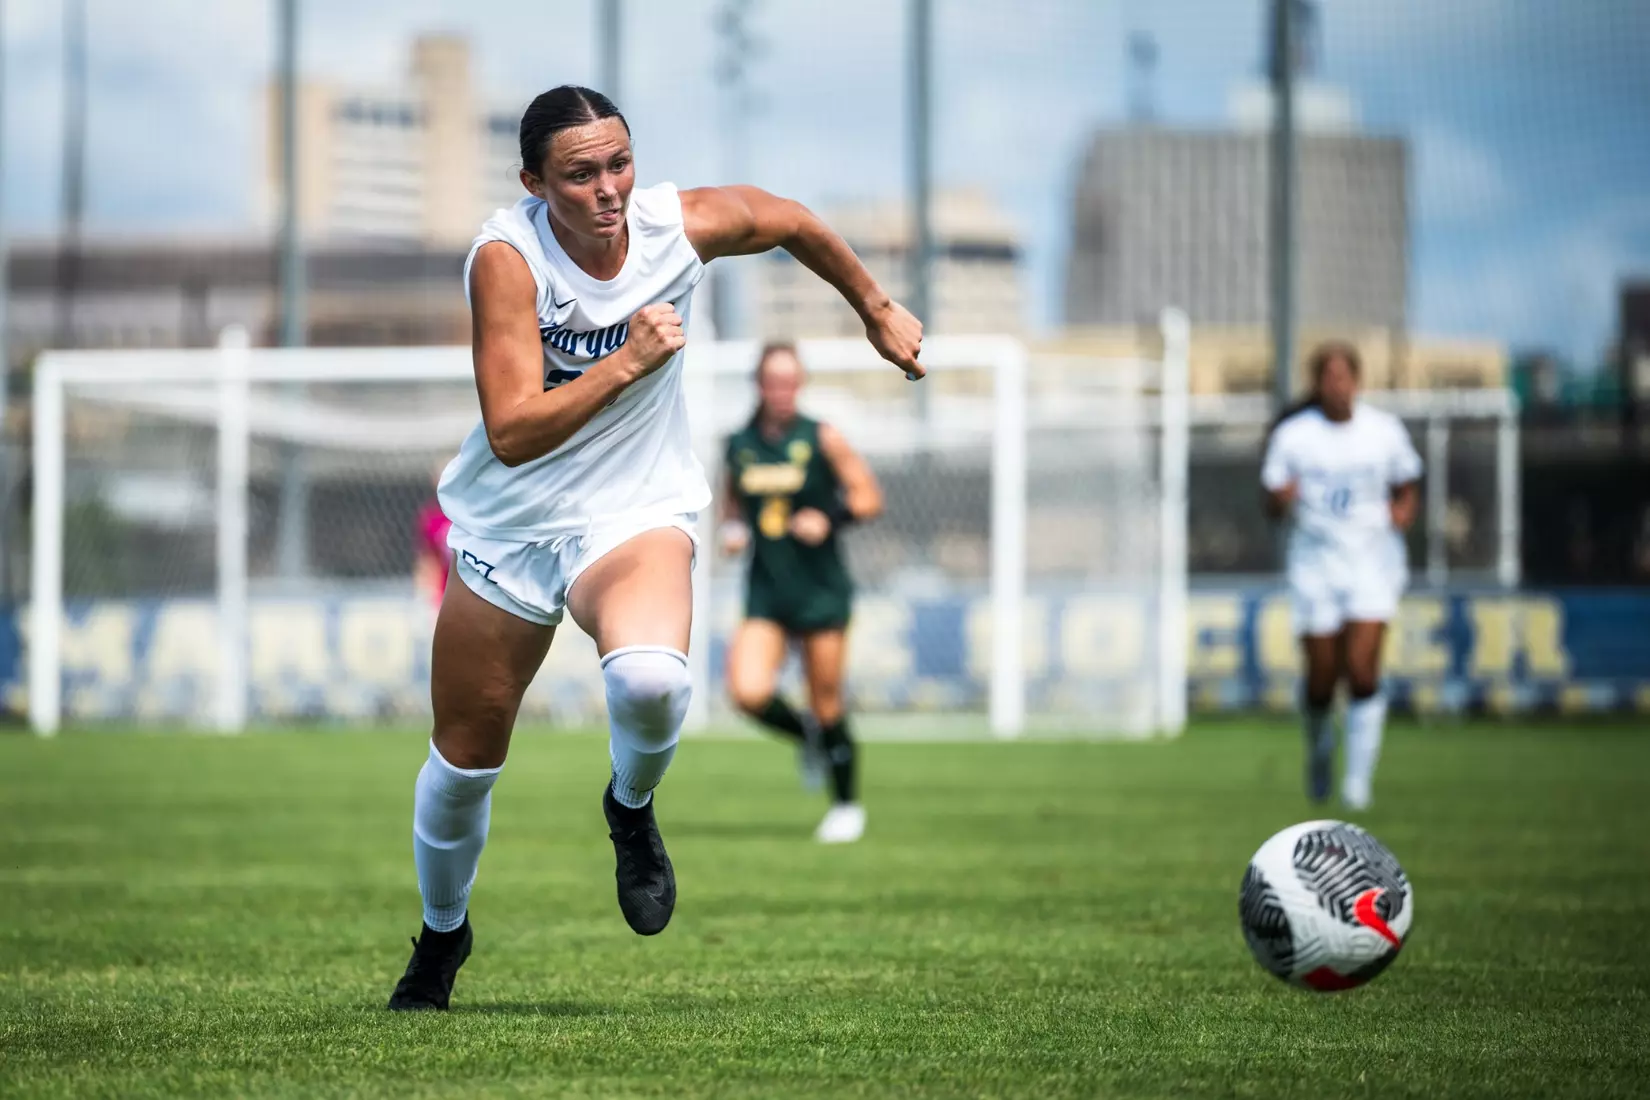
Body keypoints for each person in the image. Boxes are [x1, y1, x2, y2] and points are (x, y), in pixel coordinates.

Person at [386, 85, 922, 1011]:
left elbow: (787, 218)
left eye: (619, 164)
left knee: (650, 682)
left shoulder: (676, 227)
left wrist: (875, 308)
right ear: (533, 183)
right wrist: (626, 360)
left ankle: (628, 810)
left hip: (633, 510)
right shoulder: (507, 259)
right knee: (465, 765)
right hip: (511, 525)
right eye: (579, 174)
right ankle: (442, 938)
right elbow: (511, 430)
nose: (607, 190)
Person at [719, 344, 882, 844]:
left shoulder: (821, 437)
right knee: (747, 692)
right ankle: (805, 738)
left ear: (801, 385)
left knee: (827, 701)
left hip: (820, 589)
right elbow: (731, 506)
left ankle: (847, 805)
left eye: (791, 382)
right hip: (767, 589)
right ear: (759, 385)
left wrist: (829, 518)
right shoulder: (739, 443)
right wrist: (732, 529)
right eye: (774, 382)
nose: (782, 392)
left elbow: (868, 497)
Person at [1261, 341, 1420, 812]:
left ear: (1356, 380)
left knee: (1363, 667)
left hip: (1372, 561)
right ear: (1318, 383)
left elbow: (1407, 482)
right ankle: (1320, 752)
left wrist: (1404, 509)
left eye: (1344, 375)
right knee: (1322, 675)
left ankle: (1357, 783)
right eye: (1328, 376)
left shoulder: (1383, 431)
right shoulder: (1294, 435)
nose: (1337, 384)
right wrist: (1282, 499)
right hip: (1316, 564)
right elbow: (1269, 501)